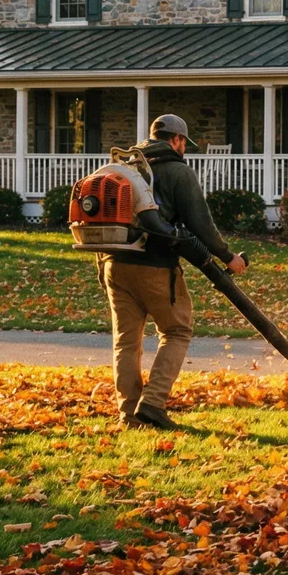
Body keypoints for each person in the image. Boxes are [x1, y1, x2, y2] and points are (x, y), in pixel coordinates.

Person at [102, 114, 247, 430]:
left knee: (126, 341)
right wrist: (228, 256)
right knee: (177, 331)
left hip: (114, 262)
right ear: (177, 140)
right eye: (185, 143)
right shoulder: (178, 171)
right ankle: (152, 403)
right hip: (154, 265)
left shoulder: (127, 167)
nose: (185, 149)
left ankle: (129, 417)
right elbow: (201, 225)